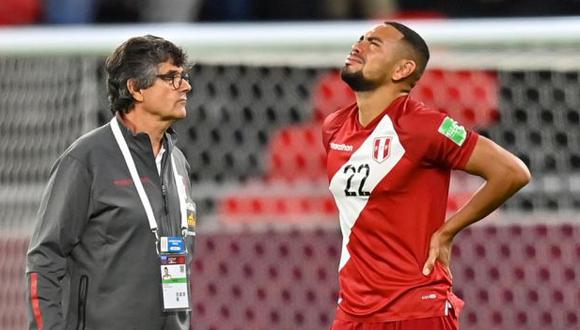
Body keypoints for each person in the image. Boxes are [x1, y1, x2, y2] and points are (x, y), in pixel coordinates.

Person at [322, 22, 531, 329]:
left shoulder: (425, 126)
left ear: (402, 69)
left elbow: (512, 172)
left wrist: (448, 231)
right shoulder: (334, 127)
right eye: (361, 39)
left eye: (374, 44)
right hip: (353, 313)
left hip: (417, 309)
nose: (359, 45)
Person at [25, 35, 197, 329]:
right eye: (171, 78)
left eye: (184, 76)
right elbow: (45, 259)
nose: (186, 86)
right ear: (136, 88)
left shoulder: (178, 162)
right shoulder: (85, 160)